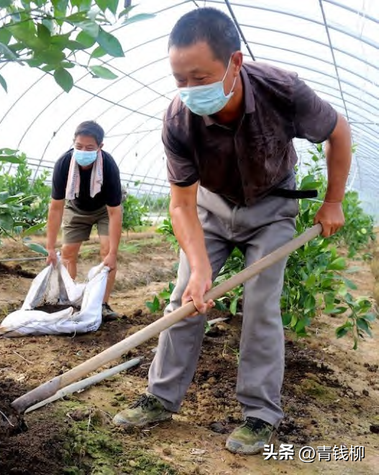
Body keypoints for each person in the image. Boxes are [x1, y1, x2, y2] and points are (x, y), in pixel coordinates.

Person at [112, 7, 351, 455]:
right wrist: (201, 269)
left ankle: (260, 416)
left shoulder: (284, 90)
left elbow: (339, 131)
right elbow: (182, 203)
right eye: (179, 79)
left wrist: (333, 201)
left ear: (234, 63)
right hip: (211, 208)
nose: (188, 90)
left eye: (199, 78)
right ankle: (160, 399)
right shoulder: (177, 120)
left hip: (273, 208)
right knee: (186, 296)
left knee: (261, 307)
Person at [45, 120, 123, 320]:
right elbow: (55, 208)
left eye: (89, 147)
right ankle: (69, 302)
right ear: (73, 143)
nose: (83, 151)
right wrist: (50, 247)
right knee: (68, 253)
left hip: (104, 209)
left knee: (106, 252)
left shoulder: (109, 166)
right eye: (78, 146)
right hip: (76, 207)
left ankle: (103, 305)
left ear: (100, 147)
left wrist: (113, 253)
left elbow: (115, 212)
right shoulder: (64, 164)